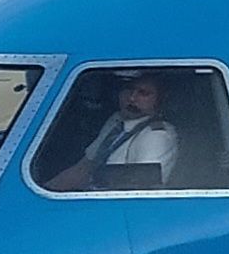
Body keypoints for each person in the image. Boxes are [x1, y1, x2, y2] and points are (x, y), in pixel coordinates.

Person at [38, 69, 185, 193]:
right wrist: (45, 191)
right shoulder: (116, 121)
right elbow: (84, 168)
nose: (132, 98)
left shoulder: (157, 136)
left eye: (143, 93)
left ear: (160, 100)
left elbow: (140, 191)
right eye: (128, 89)